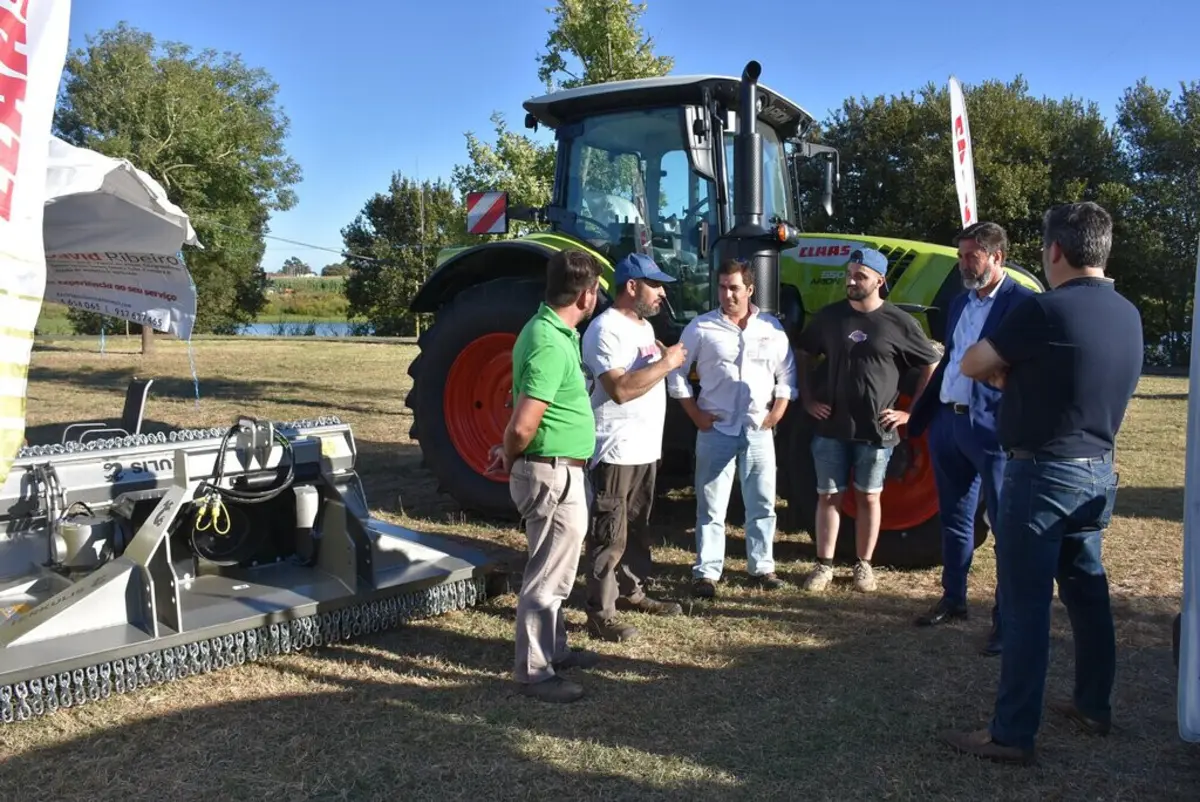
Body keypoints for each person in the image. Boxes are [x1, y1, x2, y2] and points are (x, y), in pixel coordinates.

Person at [940, 201, 1143, 765]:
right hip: (1098, 469)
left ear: (1055, 251)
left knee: (1027, 607)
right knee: (1087, 592)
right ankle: (1093, 704)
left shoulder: (1044, 310)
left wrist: (1008, 372)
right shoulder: (1128, 313)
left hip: (1041, 473)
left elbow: (974, 363)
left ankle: (1011, 732)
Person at [907, 222, 1036, 655]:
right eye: (961, 254)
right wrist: (925, 412)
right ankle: (954, 598)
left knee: (1005, 527)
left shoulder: (1023, 304)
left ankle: (1006, 619)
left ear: (996, 257)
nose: (963, 263)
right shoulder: (960, 300)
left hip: (993, 430)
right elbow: (952, 359)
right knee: (954, 519)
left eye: (971, 256)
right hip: (949, 423)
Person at [485, 248, 604, 704]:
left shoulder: (552, 331)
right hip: (554, 474)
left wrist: (508, 451)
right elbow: (523, 423)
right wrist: (510, 451)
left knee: (553, 566)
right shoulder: (550, 342)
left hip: (556, 469)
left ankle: (556, 649)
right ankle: (535, 671)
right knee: (548, 577)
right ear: (586, 295)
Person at [795, 247, 940, 593]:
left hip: (876, 432)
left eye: (859, 275)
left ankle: (864, 566)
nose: (851, 281)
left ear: (880, 280)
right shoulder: (830, 318)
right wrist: (809, 399)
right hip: (832, 428)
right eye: (849, 274)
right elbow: (802, 352)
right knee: (827, 496)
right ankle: (824, 565)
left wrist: (911, 412)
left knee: (869, 497)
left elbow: (930, 363)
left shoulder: (898, 322)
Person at [667, 257, 796, 598]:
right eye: (722, 287)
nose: (727, 294)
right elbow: (675, 373)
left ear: (750, 289)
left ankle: (762, 568)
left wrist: (780, 408)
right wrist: (694, 413)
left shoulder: (770, 328)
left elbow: (787, 372)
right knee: (711, 505)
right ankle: (707, 573)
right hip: (715, 428)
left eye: (734, 288)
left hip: (758, 429)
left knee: (762, 502)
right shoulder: (700, 328)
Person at [581, 253, 687, 642]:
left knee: (637, 528)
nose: (662, 293)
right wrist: (668, 362)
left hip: (644, 447)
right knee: (609, 532)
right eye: (655, 285)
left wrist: (661, 360)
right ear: (631, 286)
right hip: (614, 449)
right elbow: (621, 389)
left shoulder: (643, 327)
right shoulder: (604, 330)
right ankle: (600, 612)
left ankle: (631, 592)